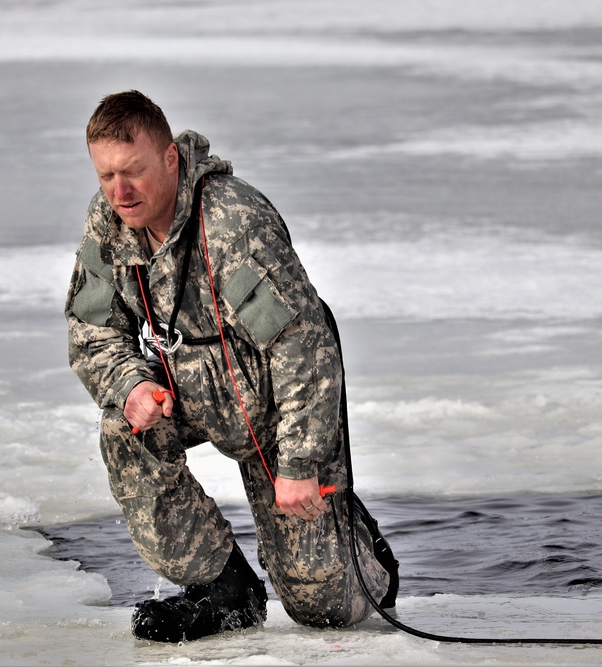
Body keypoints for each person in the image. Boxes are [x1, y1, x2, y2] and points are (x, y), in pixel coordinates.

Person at [65, 90, 398, 643]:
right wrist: (131, 386)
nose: (119, 192)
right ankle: (223, 586)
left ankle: (360, 550)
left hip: (276, 412)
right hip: (190, 394)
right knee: (122, 427)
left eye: (133, 172)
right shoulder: (109, 223)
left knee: (325, 609)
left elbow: (304, 345)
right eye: (105, 177)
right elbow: (91, 330)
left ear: (171, 159)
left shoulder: (232, 224)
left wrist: (299, 463)